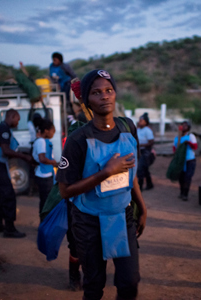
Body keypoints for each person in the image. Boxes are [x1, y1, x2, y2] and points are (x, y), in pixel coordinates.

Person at [56, 69, 147, 300]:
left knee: (129, 282)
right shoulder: (78, 139)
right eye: (96, 92)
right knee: (94, 286)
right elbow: (65, 190)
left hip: (121, 216)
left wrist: (142, 207)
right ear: (87, 100)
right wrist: (105, 172)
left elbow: (131, 174)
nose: (105, 96)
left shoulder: (127, 127)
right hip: (88, 222)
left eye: (109, 90)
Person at [0, 109, 32, 238]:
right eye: (17, 119)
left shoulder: (2, 127)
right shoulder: (4, 129)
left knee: (2, 195)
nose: (18, 122)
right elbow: (6, 151)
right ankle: (9, 229)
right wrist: (24, 157)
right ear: (12, 117)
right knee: (9, 195)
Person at [32, 118, 58, 221]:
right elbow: (42, 158)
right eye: (53, 131)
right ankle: (44, 221)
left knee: (46, 199)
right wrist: (53, 162)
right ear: (46, 130)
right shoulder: (41, 142)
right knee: (45, 200)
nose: (53, 134)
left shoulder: (43, 141)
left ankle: (45, 220)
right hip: (44, 176)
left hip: (46, 173)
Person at [173, 121, 197, 201]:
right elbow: (174, 148)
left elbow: (195, 147)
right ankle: (182, 192)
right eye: (182, 125)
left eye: (185, 126)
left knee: (187, 177)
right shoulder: (177, 138)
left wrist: (189, 143)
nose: (183, 127)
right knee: (181, 177)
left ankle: (185, 194)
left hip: (189, 160)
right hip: (180, 161)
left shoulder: (190, 136)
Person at [137, 112, 155, 191]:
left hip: (145, 152)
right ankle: (149, 184)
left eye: (141, 120)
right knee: (145, 168)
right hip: (138, 151)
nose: (139, 122)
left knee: (140, 168)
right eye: (139, 120)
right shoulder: (138, 130)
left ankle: (139, 187)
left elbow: (151, 142)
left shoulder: (147, 131)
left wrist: (141, 145)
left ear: (145, 122)